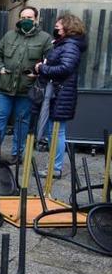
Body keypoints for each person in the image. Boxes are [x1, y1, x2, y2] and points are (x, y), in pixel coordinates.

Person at [0, 6, 53, 162]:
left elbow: (51, 60)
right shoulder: (9, 35)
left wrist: (38, 73)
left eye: (29, 18)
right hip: (5, 86)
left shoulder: (45, 38)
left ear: (36, 19)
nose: (25, 20)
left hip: (27, 88)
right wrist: (0, 67)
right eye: (23, 17)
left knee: (22, 122)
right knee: (0, 118)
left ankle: (17, 154)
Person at [34, 14, 86, 179]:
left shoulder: (70, 46)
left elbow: (65, 68)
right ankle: (53, 166)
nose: (55, 29)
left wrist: (42, 68)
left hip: (61, 94)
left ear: (67, 28)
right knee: (54, 131)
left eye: (58, 27)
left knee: (57, 131)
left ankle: (55, 169)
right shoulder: (64, 44)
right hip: (59, 92)